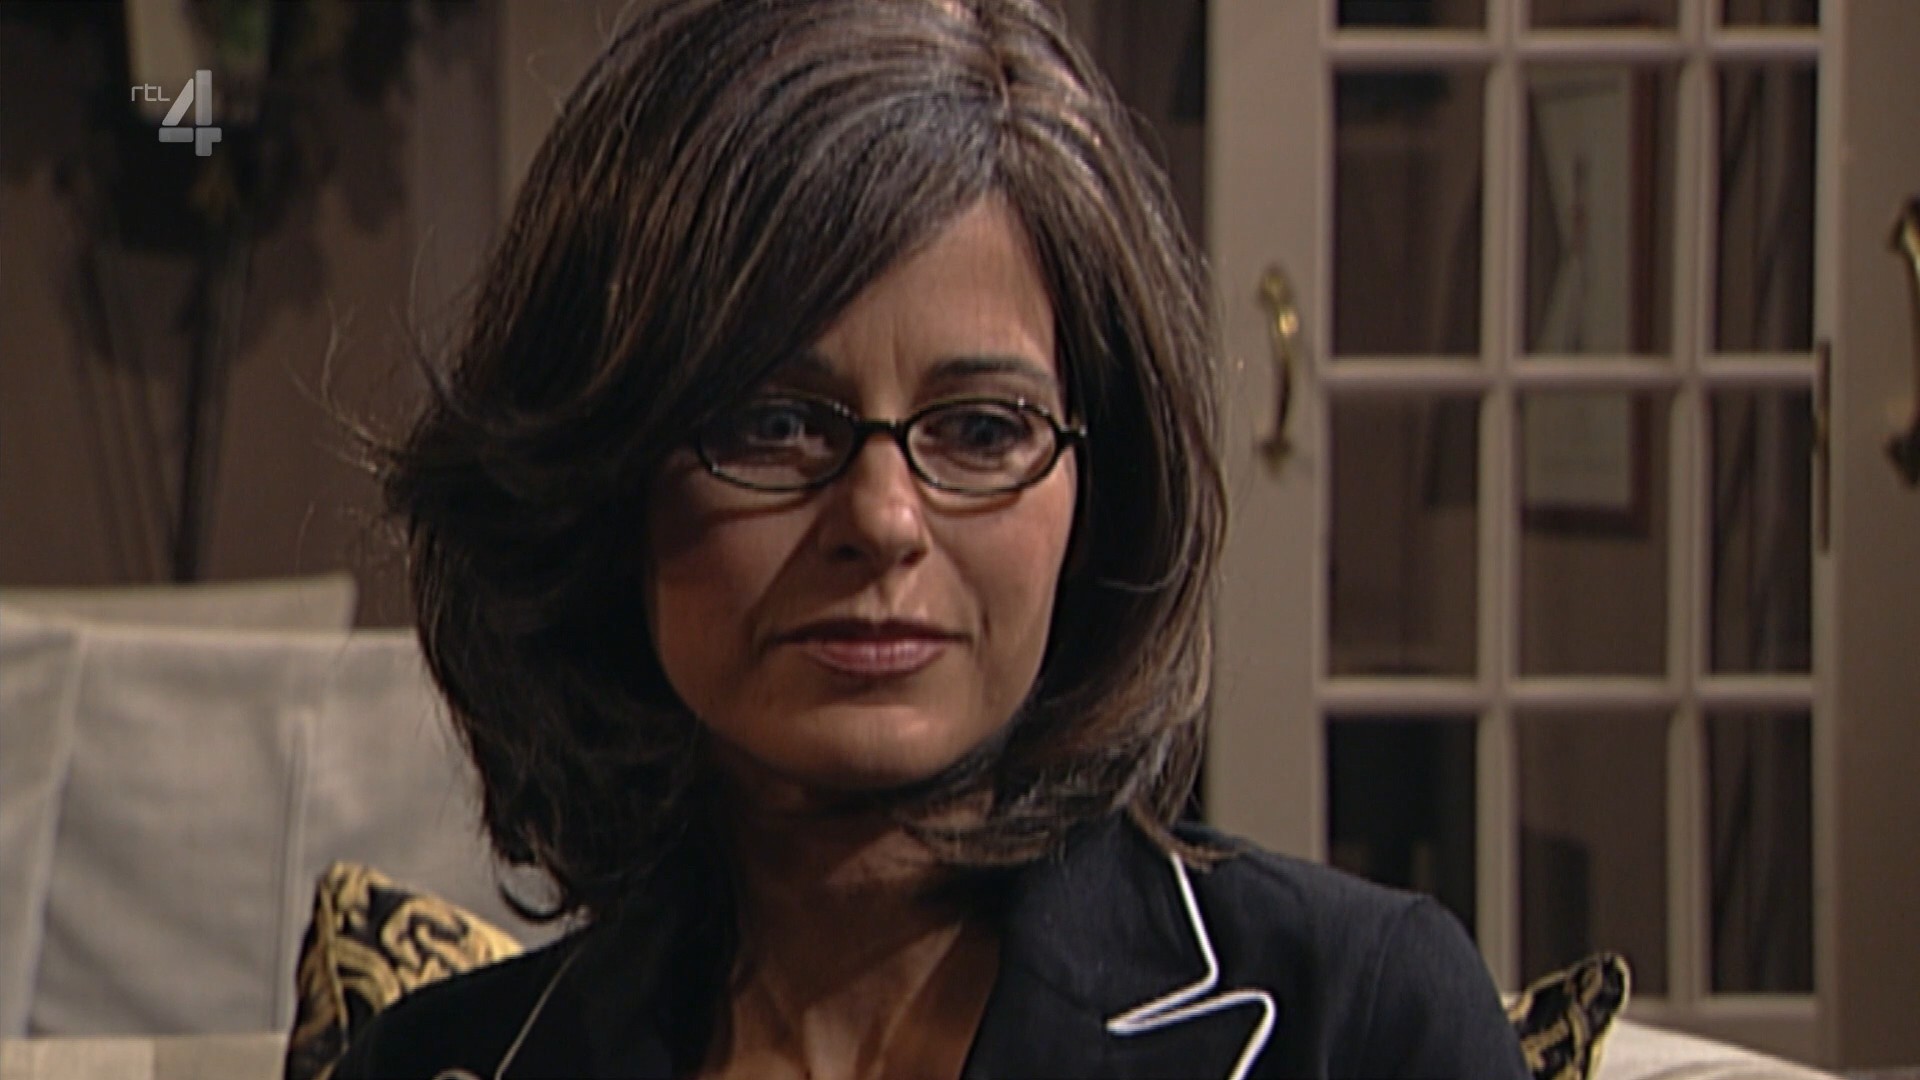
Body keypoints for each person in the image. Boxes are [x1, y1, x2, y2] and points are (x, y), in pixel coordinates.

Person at [334, 0, 1530, 1076]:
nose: (882, 520)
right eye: (774, 424)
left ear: (1094, 497)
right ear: (599, 479)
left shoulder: (1358, 1019)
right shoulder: (440, 1064)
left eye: (983, 429)